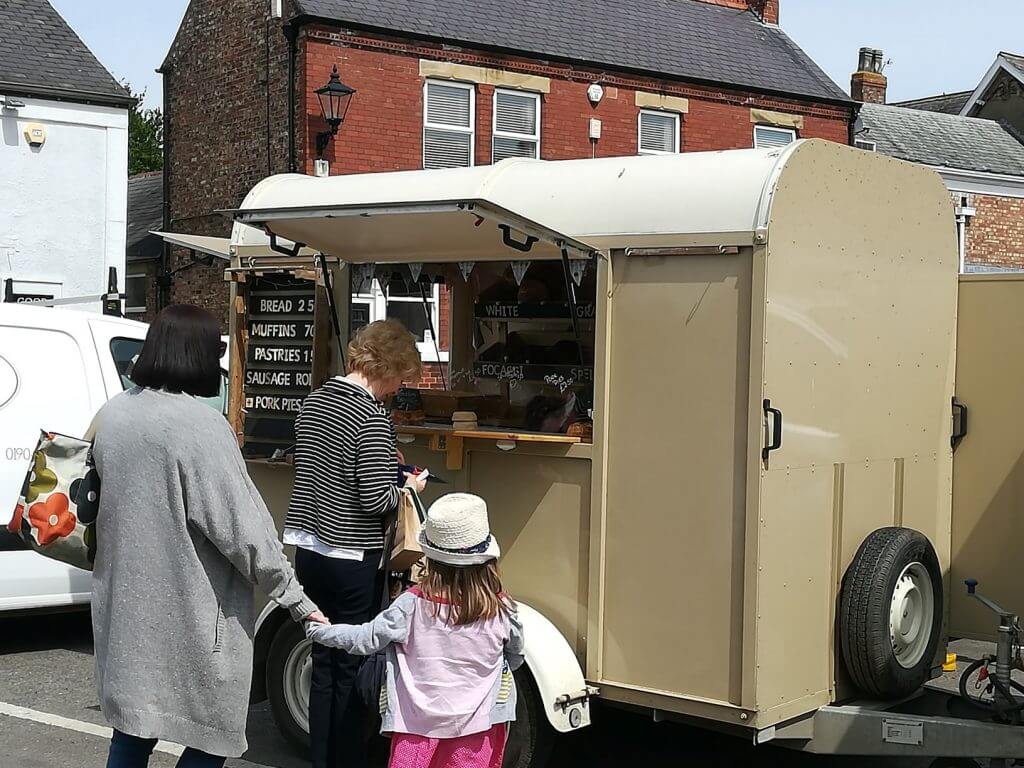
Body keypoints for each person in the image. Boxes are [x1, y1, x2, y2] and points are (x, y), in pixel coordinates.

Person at [90, 304, 326, 768]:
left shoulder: (115, 414)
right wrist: (298, 601)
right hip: (192, 615)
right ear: (196, 355)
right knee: (212, 733)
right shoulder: (201, 428)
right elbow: (245, 531)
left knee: (133, 731)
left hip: (126, 608)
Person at [284, 318, 428, 768]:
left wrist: (386, 463)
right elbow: (374, 499)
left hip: (308, 548)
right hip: (352, 554)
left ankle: (322, 758)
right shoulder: (370, 416)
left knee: (323, 657)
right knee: (352, 664)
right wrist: (408, 486)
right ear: (388, 367)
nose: (396, 390)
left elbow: (323, 468)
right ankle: (345, 759)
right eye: (400, 379)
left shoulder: (314, 402)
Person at [306, 493, 524, 768]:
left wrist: (319, 630)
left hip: (415, 729)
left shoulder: (412, 605)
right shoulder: (503, 609)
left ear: (430, 559)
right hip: (477, 731)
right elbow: (515, 657)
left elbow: (365, 639)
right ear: (488, 561)